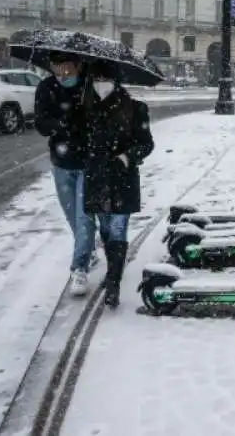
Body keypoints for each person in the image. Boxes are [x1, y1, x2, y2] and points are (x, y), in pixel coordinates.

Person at [81, 63, 154, 308]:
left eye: (106, 78)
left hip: (123, 178)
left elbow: (146, 144)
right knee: (106, 229)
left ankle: (113, 282)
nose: (101, 83)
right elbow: (76, 142)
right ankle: (113, 266)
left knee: (118, 228)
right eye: (97, 78)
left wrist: (126, 157)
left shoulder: (135, 109)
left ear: (116, 81)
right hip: (96, 178)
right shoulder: (84, 109)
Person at [35, 52, 98, 297]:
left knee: (84, 217)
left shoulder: (90, 86)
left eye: (68, 70)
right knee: (73, 216)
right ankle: (88, 248)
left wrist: (84, 118)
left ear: (79, 65)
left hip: (88, 162)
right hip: (61, 163)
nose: (63, 76)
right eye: (57, 70)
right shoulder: (46, 88)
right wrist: (61, 123)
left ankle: (79, 268)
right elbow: (41, 124)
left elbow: (103, 119)